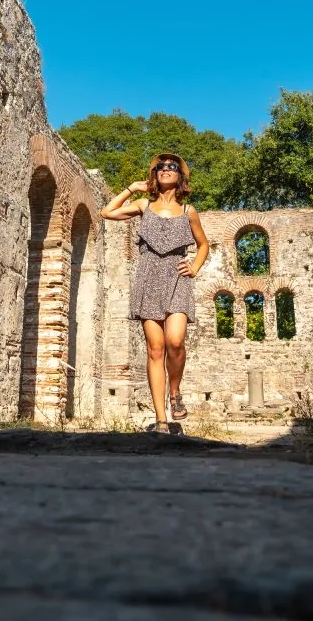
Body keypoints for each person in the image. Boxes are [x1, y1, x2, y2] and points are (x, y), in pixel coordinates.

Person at [100, 153, 210, 433]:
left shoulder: (189, 212)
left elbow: (203, 245)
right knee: (155, 349)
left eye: (172, 167)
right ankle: (161, 419)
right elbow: (107, 212)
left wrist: (194, 267)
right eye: (160, 167)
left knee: (175, 341)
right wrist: (131, 189)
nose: (166, 169)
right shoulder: (142, 205)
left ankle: (175, 392)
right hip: (148, 278)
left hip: (177, 277)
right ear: (155, 175)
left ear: (180, 177)